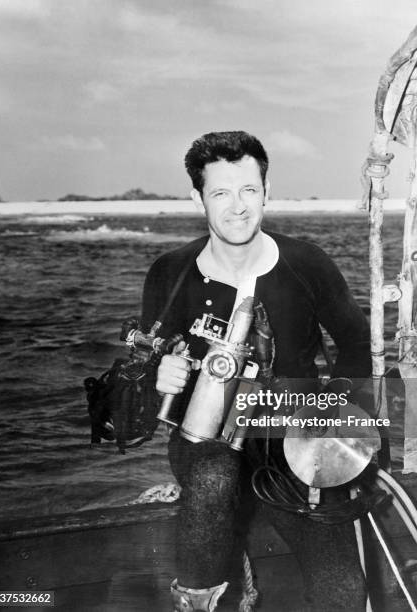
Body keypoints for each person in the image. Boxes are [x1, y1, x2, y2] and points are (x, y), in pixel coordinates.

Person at [140, 131, 372, 611]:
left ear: (266, 191)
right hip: (202, 447)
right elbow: (146, 377)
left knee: (344, 587)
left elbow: (356, 344)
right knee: (212, 476)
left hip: (292, 446)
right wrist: (157, 379)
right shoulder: (170, 272)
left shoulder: (308, 263)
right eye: (221, 192)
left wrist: (336, 419)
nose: (238, 206)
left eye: (249, 190)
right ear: (197, 199)